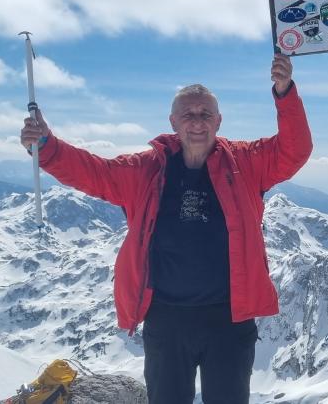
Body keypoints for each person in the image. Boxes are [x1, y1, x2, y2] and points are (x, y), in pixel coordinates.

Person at [20, 54, 312, 403]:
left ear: (219, 120)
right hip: (166, 317)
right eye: (188, 114)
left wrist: (284, 92)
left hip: (229, 319)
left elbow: (294, 151)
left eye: (205, 114)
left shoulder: (245, 163)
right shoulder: (147, 168)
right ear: (173, 121)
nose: (197, 122)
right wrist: (47, 147)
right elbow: (96, 173)